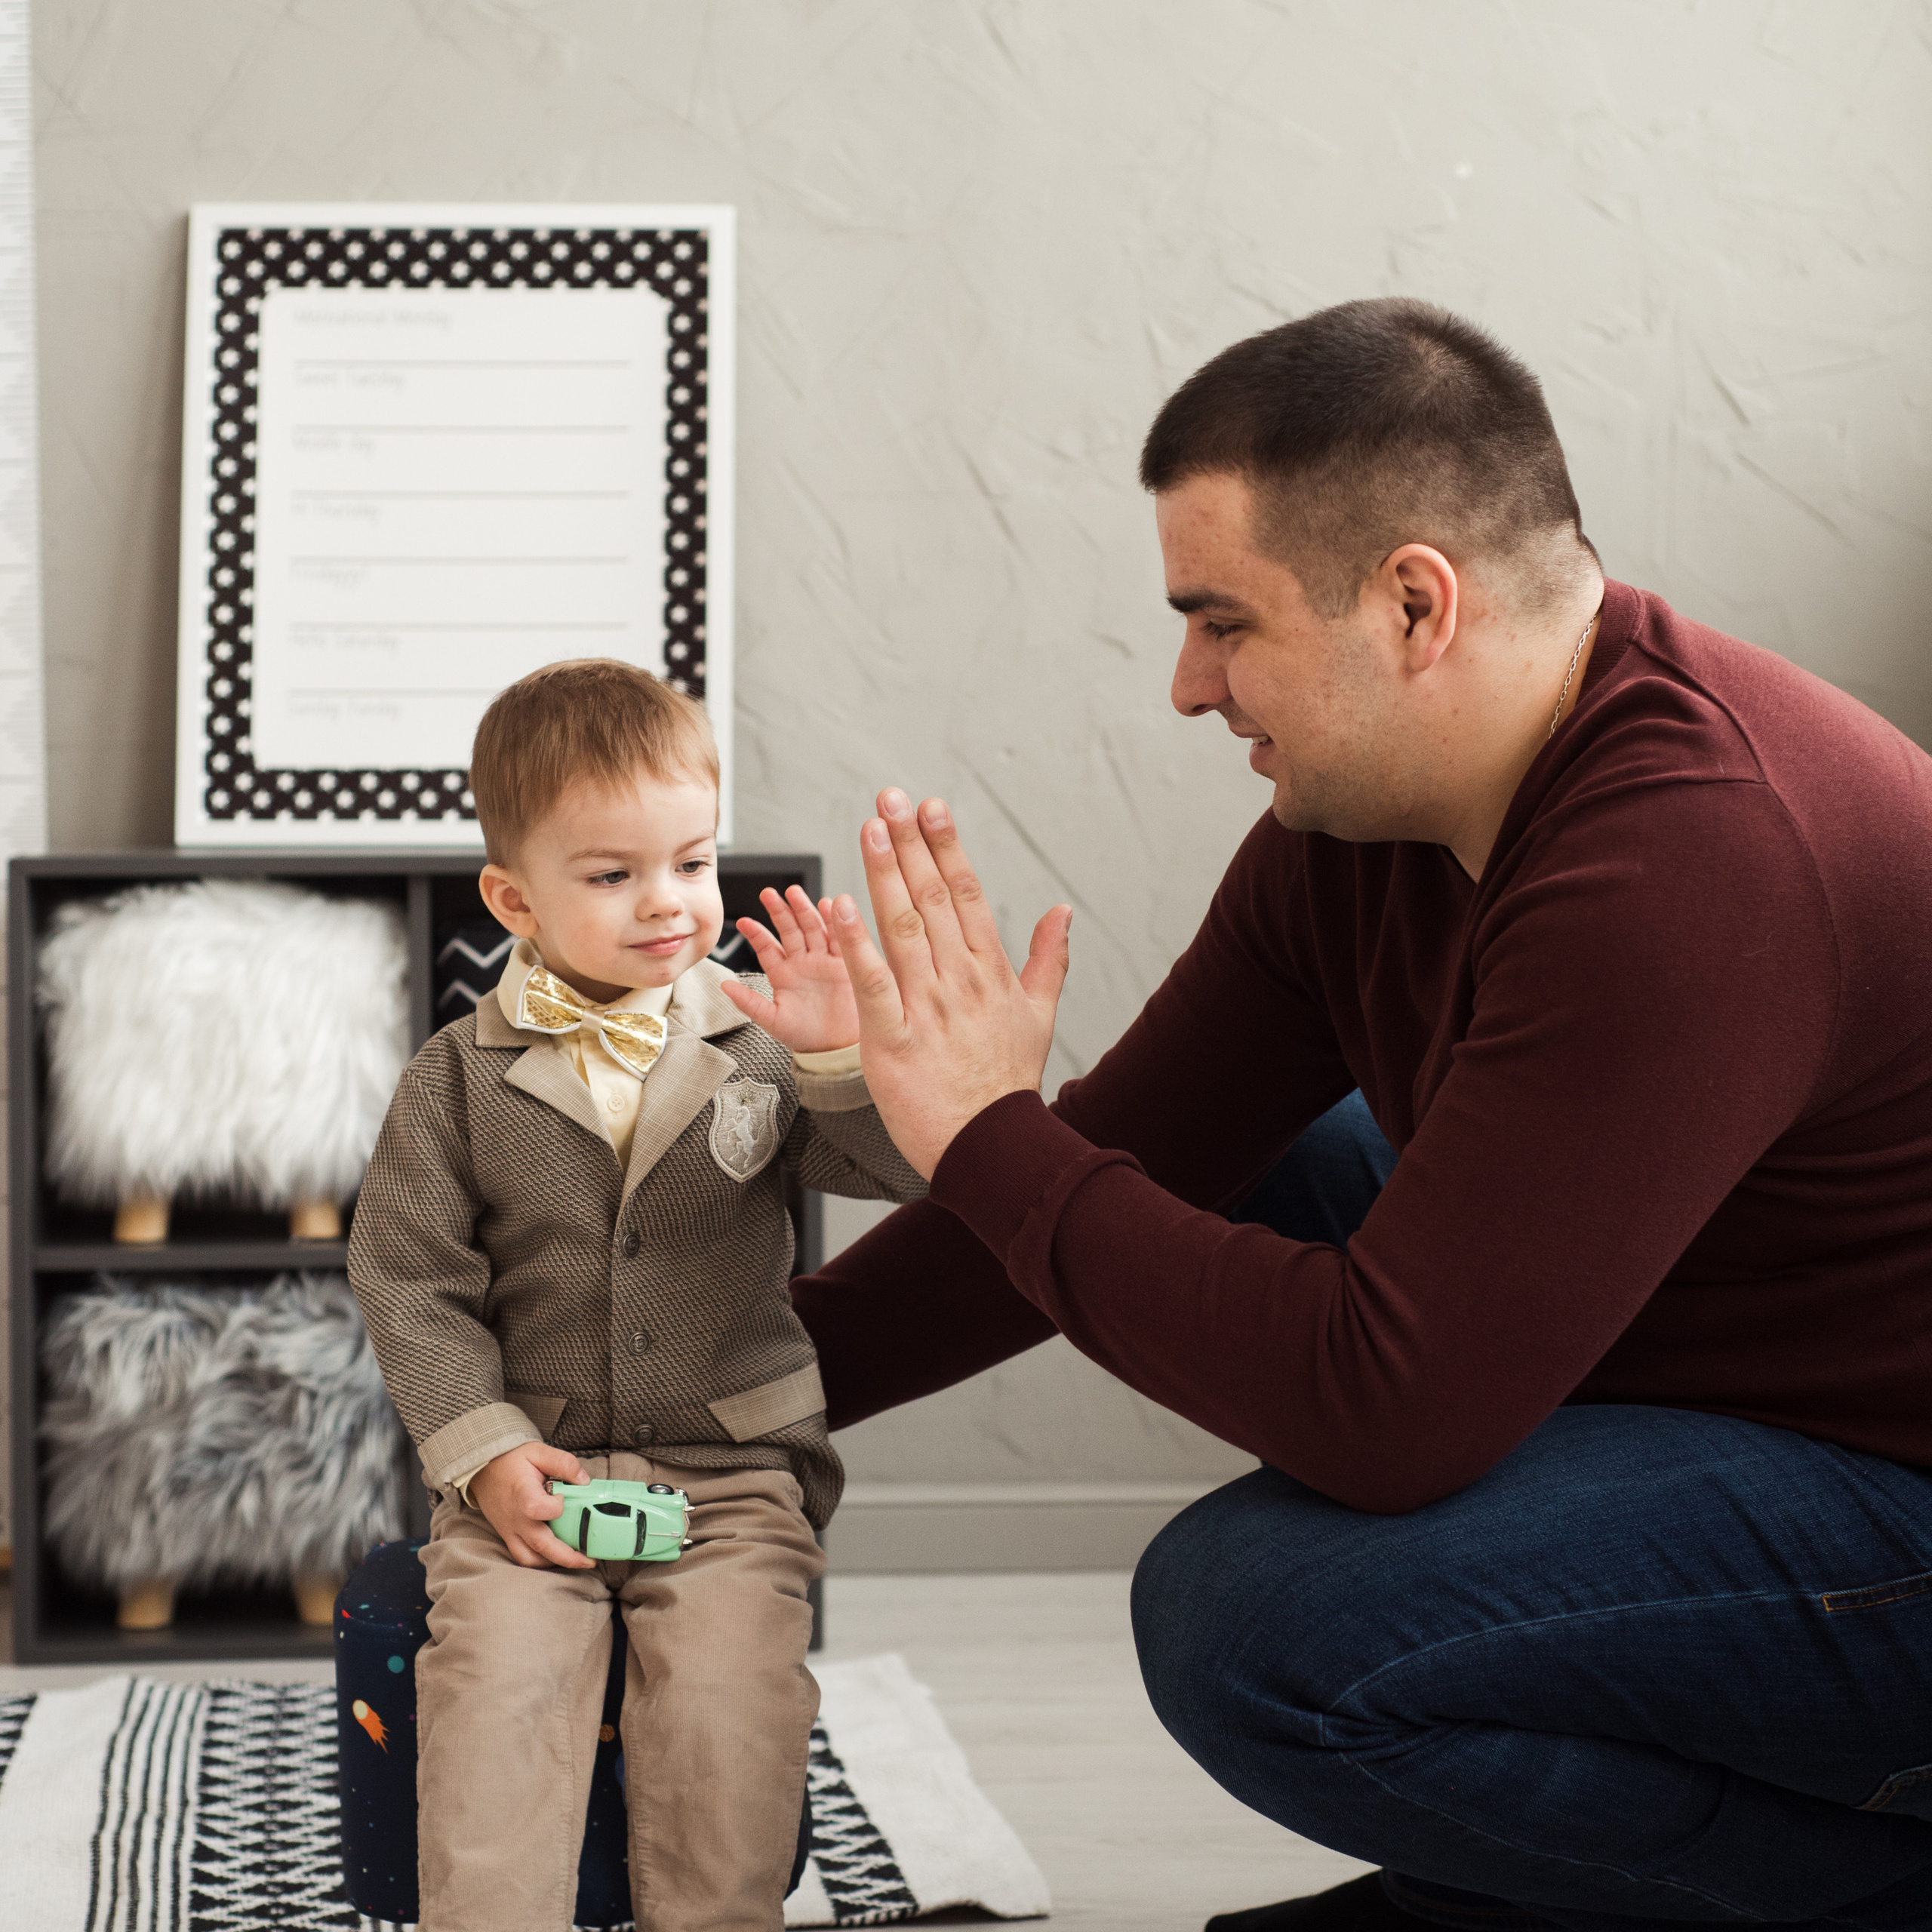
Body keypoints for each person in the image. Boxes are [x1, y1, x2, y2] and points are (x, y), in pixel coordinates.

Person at [790, 299, 1932, 1929]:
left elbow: (1382, 1411)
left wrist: (982, 1128)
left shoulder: (1692, 854)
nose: (1187, 685)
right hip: (1745, 1384)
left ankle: (1852, 1891)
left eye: (1222, 622)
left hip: (1897, 1501)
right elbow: (1129, 1153)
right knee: (1262, 1171)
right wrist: (720, 1397)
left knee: (1252, 1624)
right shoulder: (1360, 830)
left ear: (1411, 602)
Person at [347, 659, 926, 1932]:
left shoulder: (762, 1039)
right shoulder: (454, 1078)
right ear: (516, 898)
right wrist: (488, 1454)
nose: (667, 904)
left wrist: (840, 1056)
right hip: (531, 1476)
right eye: (612, 877)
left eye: (692, 862)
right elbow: (407, 1275)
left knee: (728, 1707)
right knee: (495, 1693)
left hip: (732, 1466)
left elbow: (897, 1172)